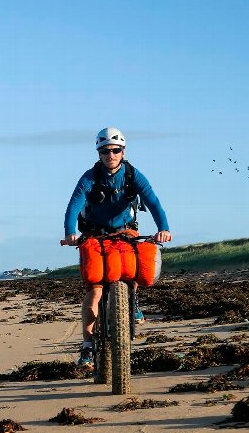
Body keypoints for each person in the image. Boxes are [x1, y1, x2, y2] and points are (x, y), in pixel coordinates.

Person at [60, 127, 172, 368]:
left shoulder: (133, 175)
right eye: (105, 151)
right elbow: (74, 204)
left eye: (115, 150)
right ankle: (88, 347)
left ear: (123, 151)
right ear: (99, 153)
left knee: (132, 270)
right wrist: (70, 232)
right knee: (95, 291)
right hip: (94, 232)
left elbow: (152, 201)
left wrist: (164, 227)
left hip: (124, 230)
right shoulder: (90, 177)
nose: (110, 155)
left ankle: (133, 302)